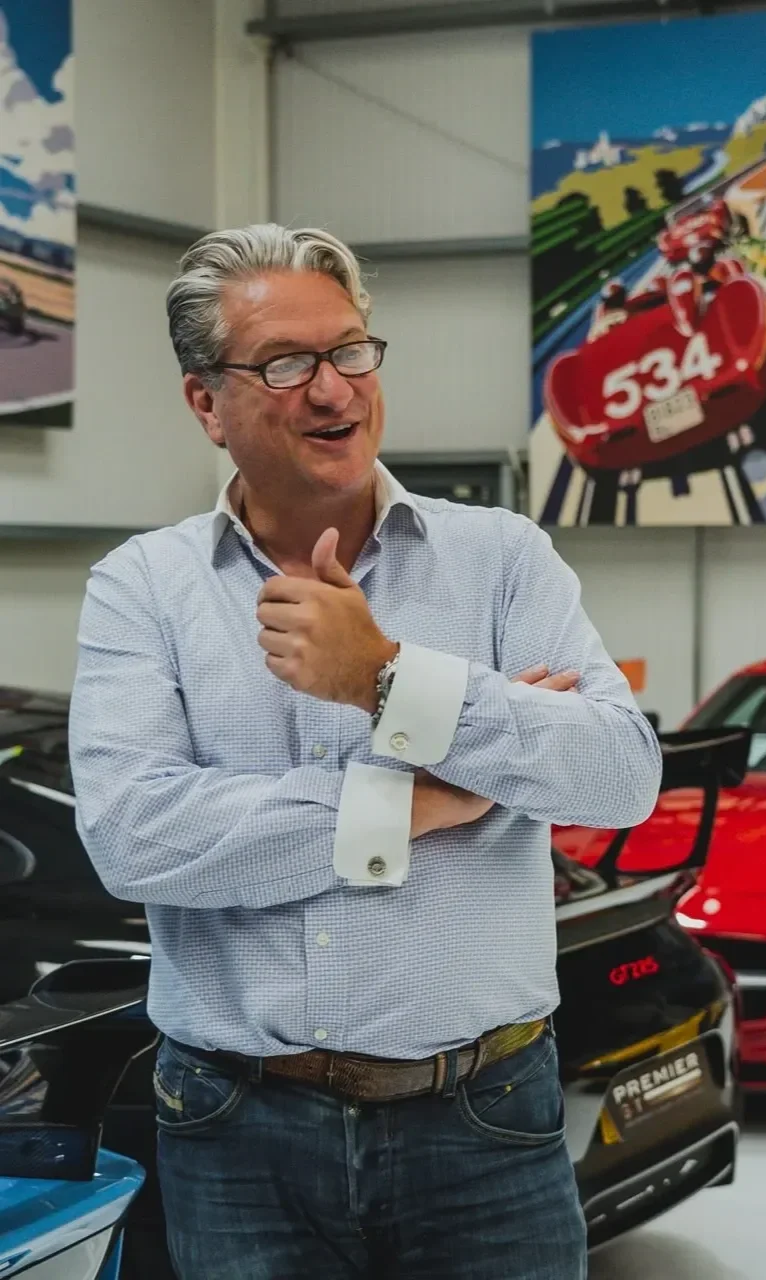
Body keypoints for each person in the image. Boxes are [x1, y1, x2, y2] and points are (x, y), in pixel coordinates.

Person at [69, 223, 663, 1280]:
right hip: (236, 1123)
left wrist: (389, 681)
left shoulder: (502, 559)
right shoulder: (143, 587)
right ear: (206, 402)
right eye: (284, 363)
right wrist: (417, 797)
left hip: (485, 1119)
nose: (333, 388)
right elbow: (135, 837)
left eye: (350, 349)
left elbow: (619, 773)